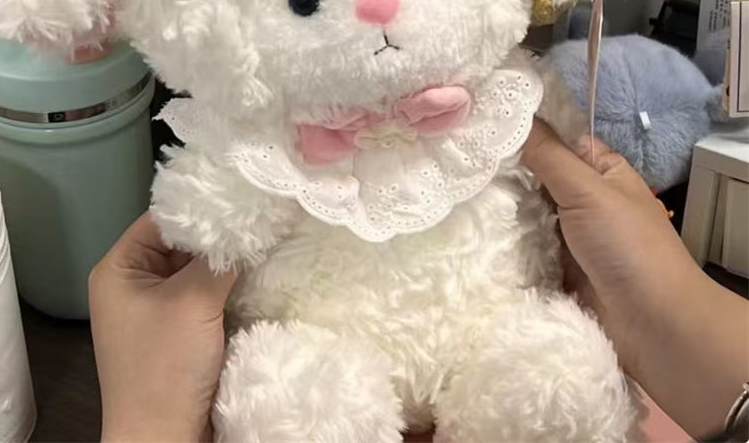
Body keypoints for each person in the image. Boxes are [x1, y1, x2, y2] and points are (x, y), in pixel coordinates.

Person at [89, 121, 748, 442]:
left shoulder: (501, 107)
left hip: (496, 332)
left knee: (554, 388)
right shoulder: (256, 130)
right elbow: (201, 204)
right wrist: (670, 315)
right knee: (293, 409)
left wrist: (149, 424)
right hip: (315, 352)